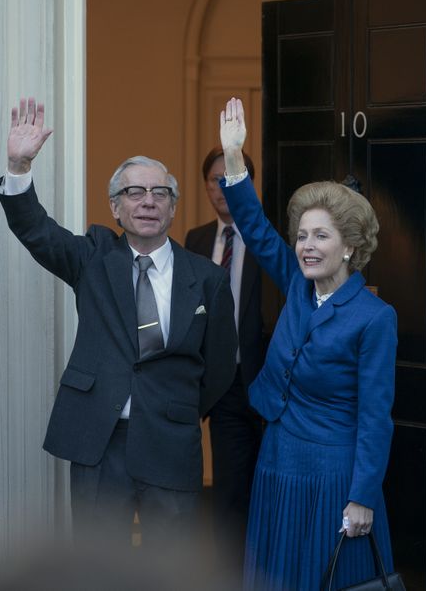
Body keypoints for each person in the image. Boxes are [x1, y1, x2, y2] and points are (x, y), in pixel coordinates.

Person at [0, 97, 238, 547]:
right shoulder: (93, 258)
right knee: (95, 566)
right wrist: (18, 165)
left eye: (159, 193)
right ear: (115, 208)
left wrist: (176, 404)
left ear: (172, 208)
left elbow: (220, 367)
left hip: (170, 439)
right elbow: (36, 230)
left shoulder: (205, 278)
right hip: (99, 441)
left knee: (172, 569)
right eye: (134, 192)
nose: (148, 201)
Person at [217, 97, 398, 590]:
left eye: (321, 236)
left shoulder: (375, 318)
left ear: (351, 247)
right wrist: (234, 156)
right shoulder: (298, 285)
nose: (307, 246)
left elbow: (376, 417)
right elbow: (255, 228)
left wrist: (362, 496)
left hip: (333, 478)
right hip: (278, 463)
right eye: (302, 236)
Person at [183, 147, 267, 565]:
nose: (221, 186)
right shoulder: (196, 240)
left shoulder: (271, 240)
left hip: (269, 384)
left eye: (231, 177)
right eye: (215, 178)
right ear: (205, 186)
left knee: (269, 491)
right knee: (229, 491)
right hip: (222, 386)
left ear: (248, 185)